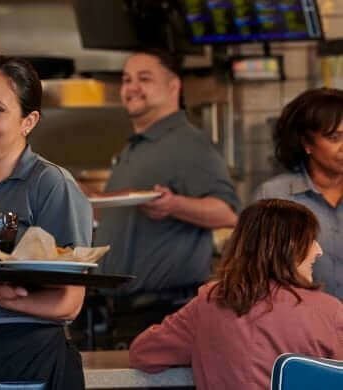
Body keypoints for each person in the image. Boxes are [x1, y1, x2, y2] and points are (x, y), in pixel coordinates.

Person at [0, 56, 93, 390]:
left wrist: (5, 298)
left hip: (24, 355)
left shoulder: (50, 184)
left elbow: (69, 304)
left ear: (28, 121)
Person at [129, 199, 343, 390]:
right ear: (288, 248)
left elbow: (143, 354)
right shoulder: (329, 311)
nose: (318, 250)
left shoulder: (209, 302)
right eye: (311, 240)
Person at [94, 48, 239, 295]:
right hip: (120, 309)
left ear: (174, 87)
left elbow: (228, 214)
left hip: (162, 307)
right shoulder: (136, 145)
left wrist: (174, 205)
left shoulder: (189, 143)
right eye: (127, 80)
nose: (132, 87)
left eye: (145, 78)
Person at [253, 87, 343, 298]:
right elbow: (255, 272)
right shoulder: (274, 196)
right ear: (306, 143)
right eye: (334, 137)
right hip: (301, 325)